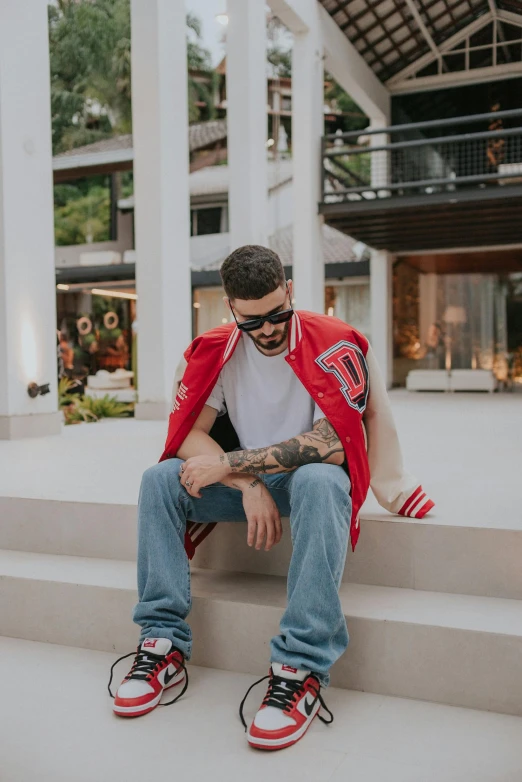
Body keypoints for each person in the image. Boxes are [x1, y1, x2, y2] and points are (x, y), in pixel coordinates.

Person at [108, 245, 434, 750]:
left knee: (321, 481)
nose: (267, 330)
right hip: (251, 485)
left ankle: (301, 668)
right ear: (231, 308)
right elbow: (190, 435)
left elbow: (330, 447)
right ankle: (163, 643)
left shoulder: (334, 343)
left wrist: (234, 465)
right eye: (252, 320)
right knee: (159, 480)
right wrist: (247, 483)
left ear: (291, 293)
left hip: (309, 485)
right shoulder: (216, 350)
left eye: (277, 314)